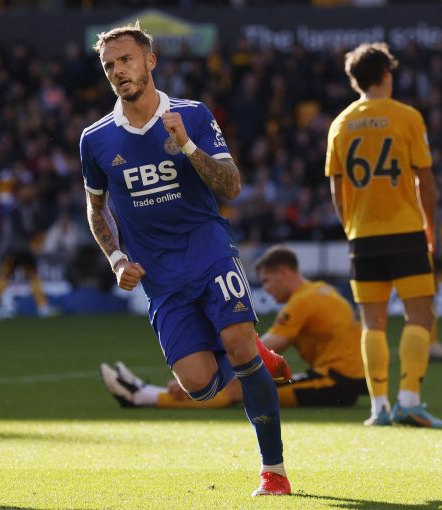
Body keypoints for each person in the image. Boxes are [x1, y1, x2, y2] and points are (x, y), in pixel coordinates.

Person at [80, 22, 291, 496]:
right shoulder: (94, 140)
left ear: (150, 61)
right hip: (160, 276)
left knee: (236, 344)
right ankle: (254, 351)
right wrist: (115, 259)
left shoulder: (192, 115)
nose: (118, 71)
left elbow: (232, 187)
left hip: (208, 252)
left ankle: (273, 471)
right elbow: (96, 210)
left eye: (126, 60)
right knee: (197, 384)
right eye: (109, 65)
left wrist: (189, 147)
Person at [325, 42, 442, 428]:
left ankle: (378, 407)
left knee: (372, 324)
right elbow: (424, 180)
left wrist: (351, 228)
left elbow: (336, 188)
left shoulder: (341, 123)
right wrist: (429, 226)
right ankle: (409, 399)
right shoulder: (406, 116)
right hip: (405, 230)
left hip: (363, 236)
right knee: (420, 315)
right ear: (385, 74)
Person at [100, 245, 368, 410]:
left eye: (267, 281)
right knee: (247, 382)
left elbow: (255, 350)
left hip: (335, 382)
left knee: (237, 388)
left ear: (284, 273)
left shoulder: (302, 302)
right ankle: (145, 391)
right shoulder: (323, 291)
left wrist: (210, 373)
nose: (267, 290)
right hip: (343, 379)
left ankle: (141, 396)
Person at [0, 182, 55, 318]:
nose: (29, 193)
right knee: (4, 278)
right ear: (19, 193)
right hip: (12, 249)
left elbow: (40, 224)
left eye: (30, 190)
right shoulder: (14, 209)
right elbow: (19, 229)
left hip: (24, 249)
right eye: (26, 191)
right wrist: (34, 235)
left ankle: (43, 307)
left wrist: (37, 234)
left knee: (34, 277)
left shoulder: (34, 208)